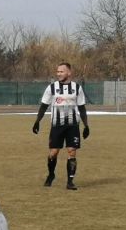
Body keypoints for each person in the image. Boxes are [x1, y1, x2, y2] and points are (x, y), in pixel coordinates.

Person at [32, 62, 89, 190]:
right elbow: (43, 106)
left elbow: (82, 108)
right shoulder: (51, 88)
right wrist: (37, 121)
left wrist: (86, 125)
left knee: (72, 152)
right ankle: (51, 174)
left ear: (69, 72)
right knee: (53, 153)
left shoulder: (77, 88)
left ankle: (70, 182)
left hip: (73, 125)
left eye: (61, 71)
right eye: (57, 72)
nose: (58, 74)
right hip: (57, 125)